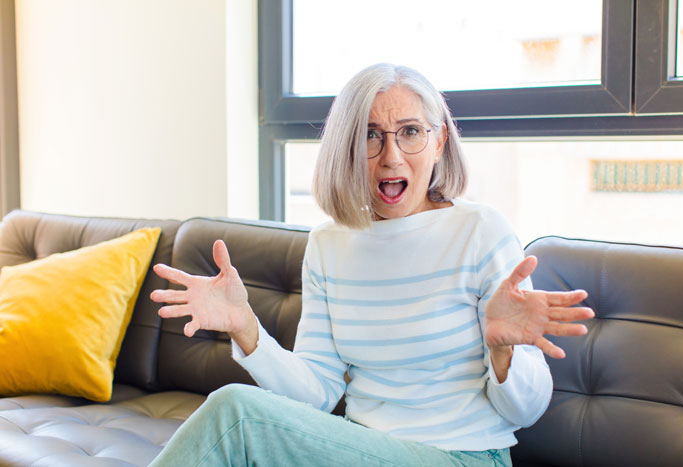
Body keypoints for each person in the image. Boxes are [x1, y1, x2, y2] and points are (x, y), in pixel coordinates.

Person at [148, 63, 594, 467]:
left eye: (411, 132)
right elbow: (317, 393)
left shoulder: (480, 231)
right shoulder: (328, 245)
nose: (391, 156)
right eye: (369, 134)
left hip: (463, 457)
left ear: (439, 141)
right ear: (346, 146)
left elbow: (526, 411)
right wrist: (246, 328)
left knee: (236, 414)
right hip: (358, 449)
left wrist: (503, 352)